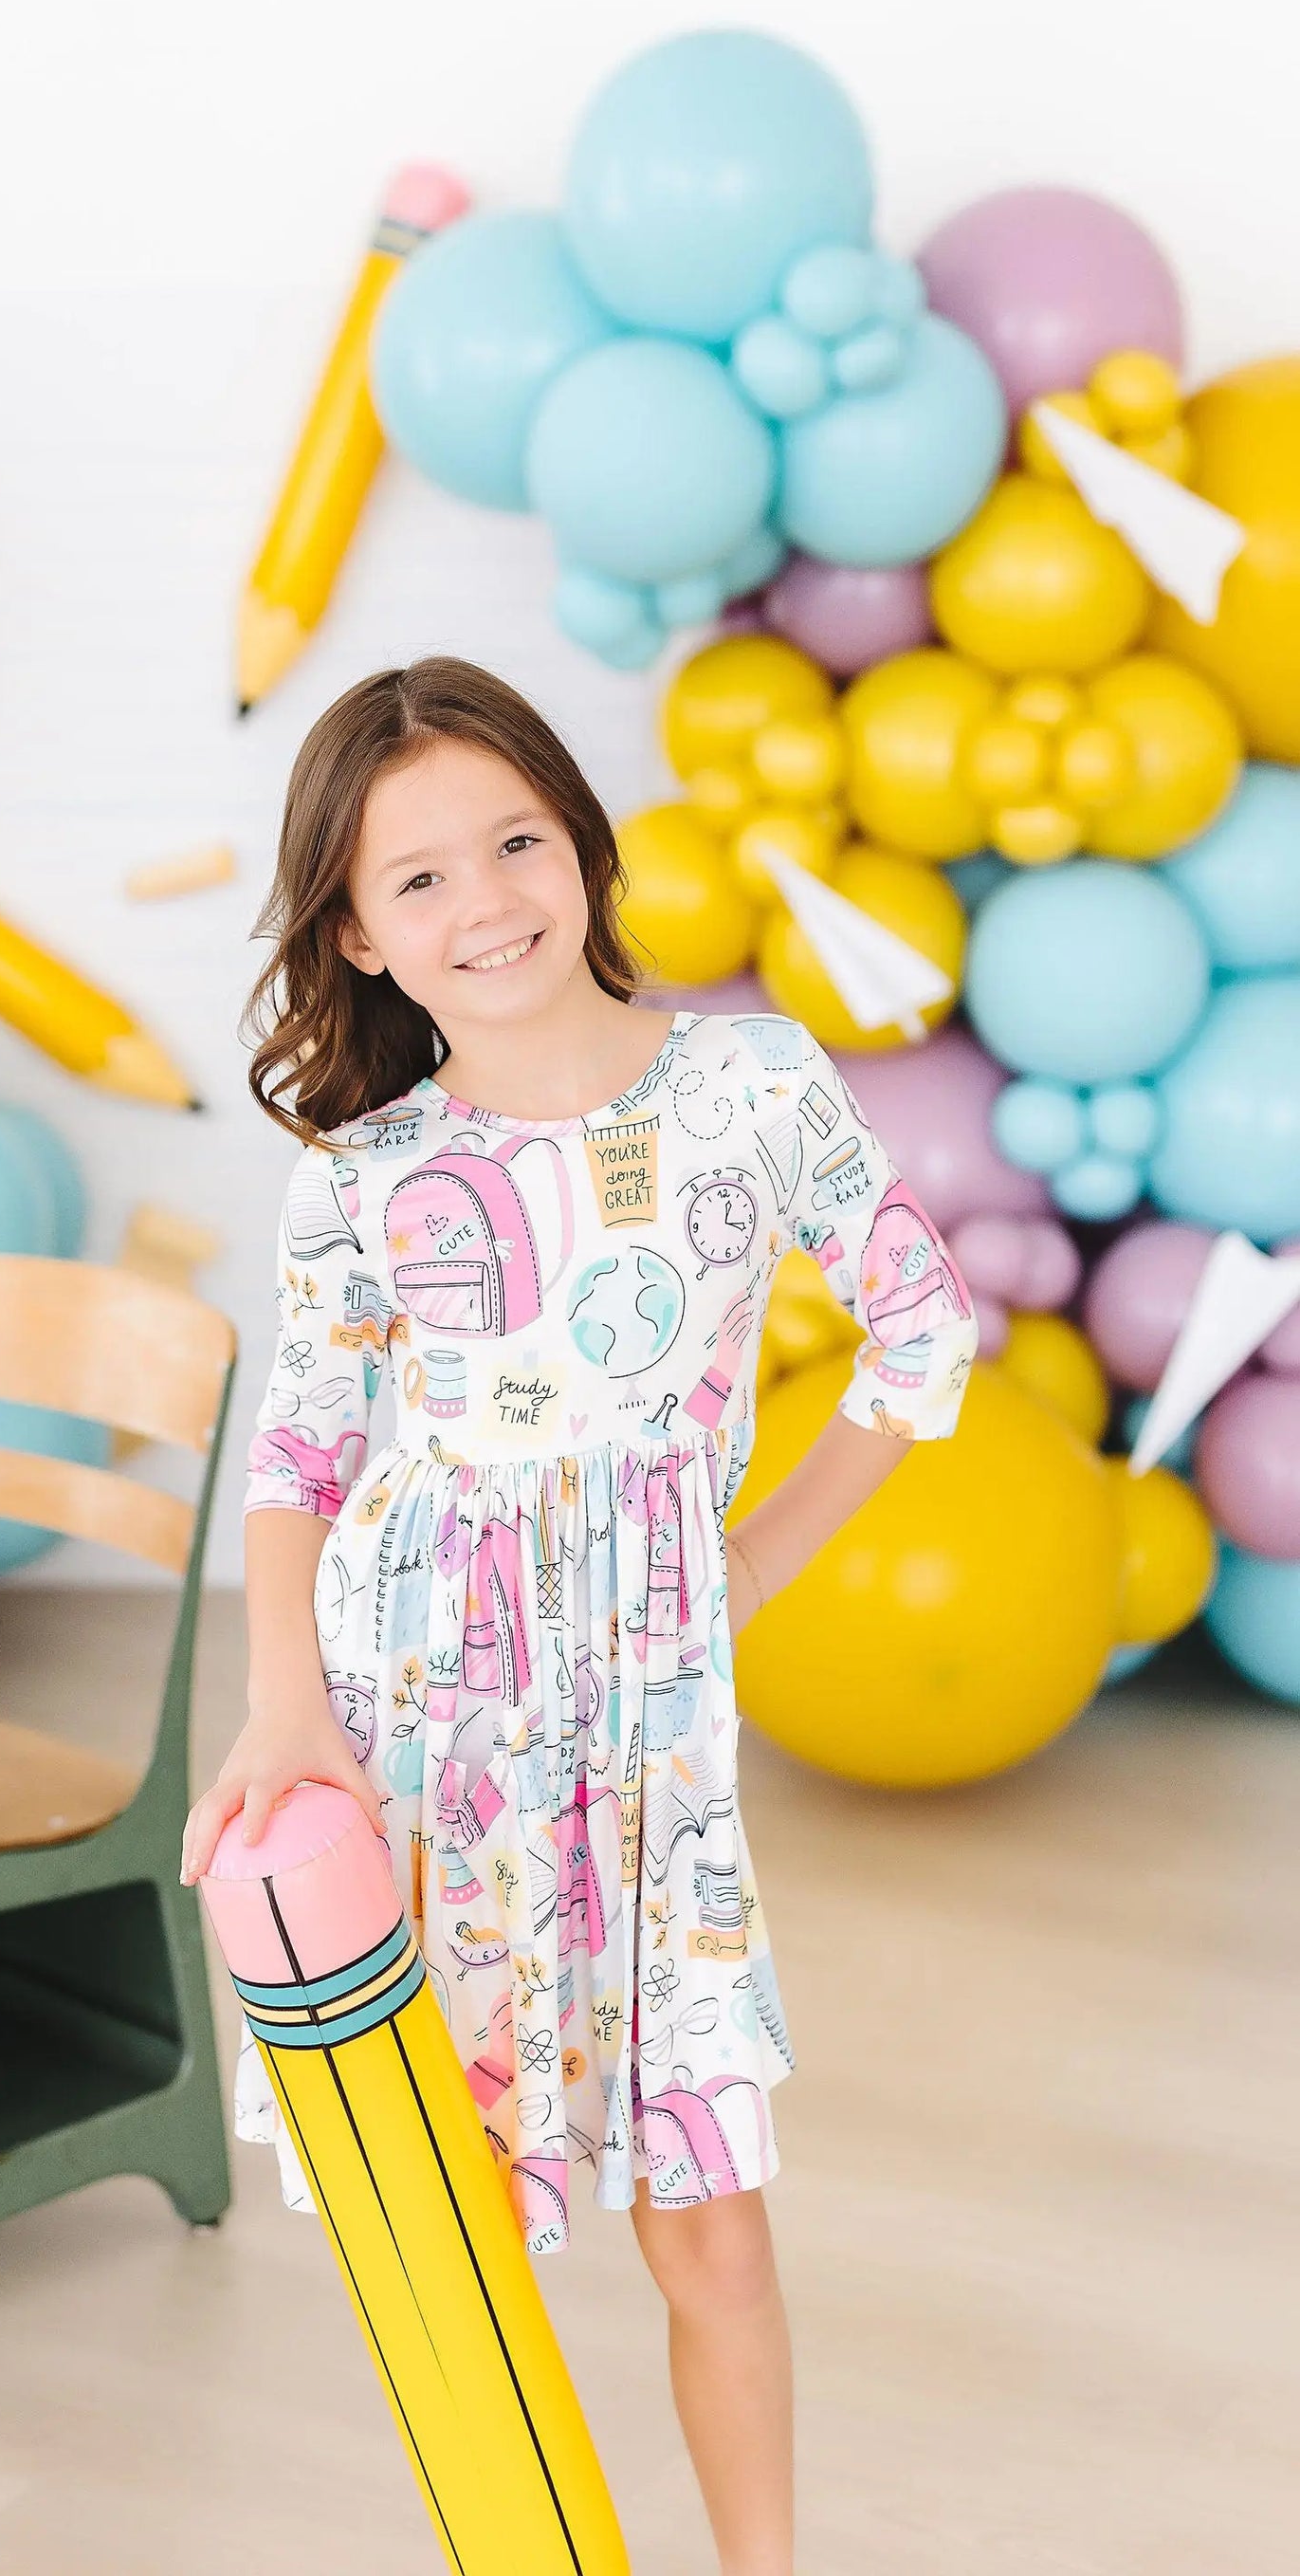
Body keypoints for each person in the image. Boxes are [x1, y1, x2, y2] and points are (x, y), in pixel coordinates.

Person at [181, 655, 979, 2576]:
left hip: (647, 1745)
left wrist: (756, 1562)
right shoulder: (364, 1179)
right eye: (420, 879)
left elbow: (920, 1321)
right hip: (423, 1722)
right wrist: (287, 1706)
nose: (488, 902)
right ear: (358, 934)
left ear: (583, 840)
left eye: (515, 839)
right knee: (457, 2217)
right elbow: (295, 1455)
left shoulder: (749, 1087)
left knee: (709, 2218)